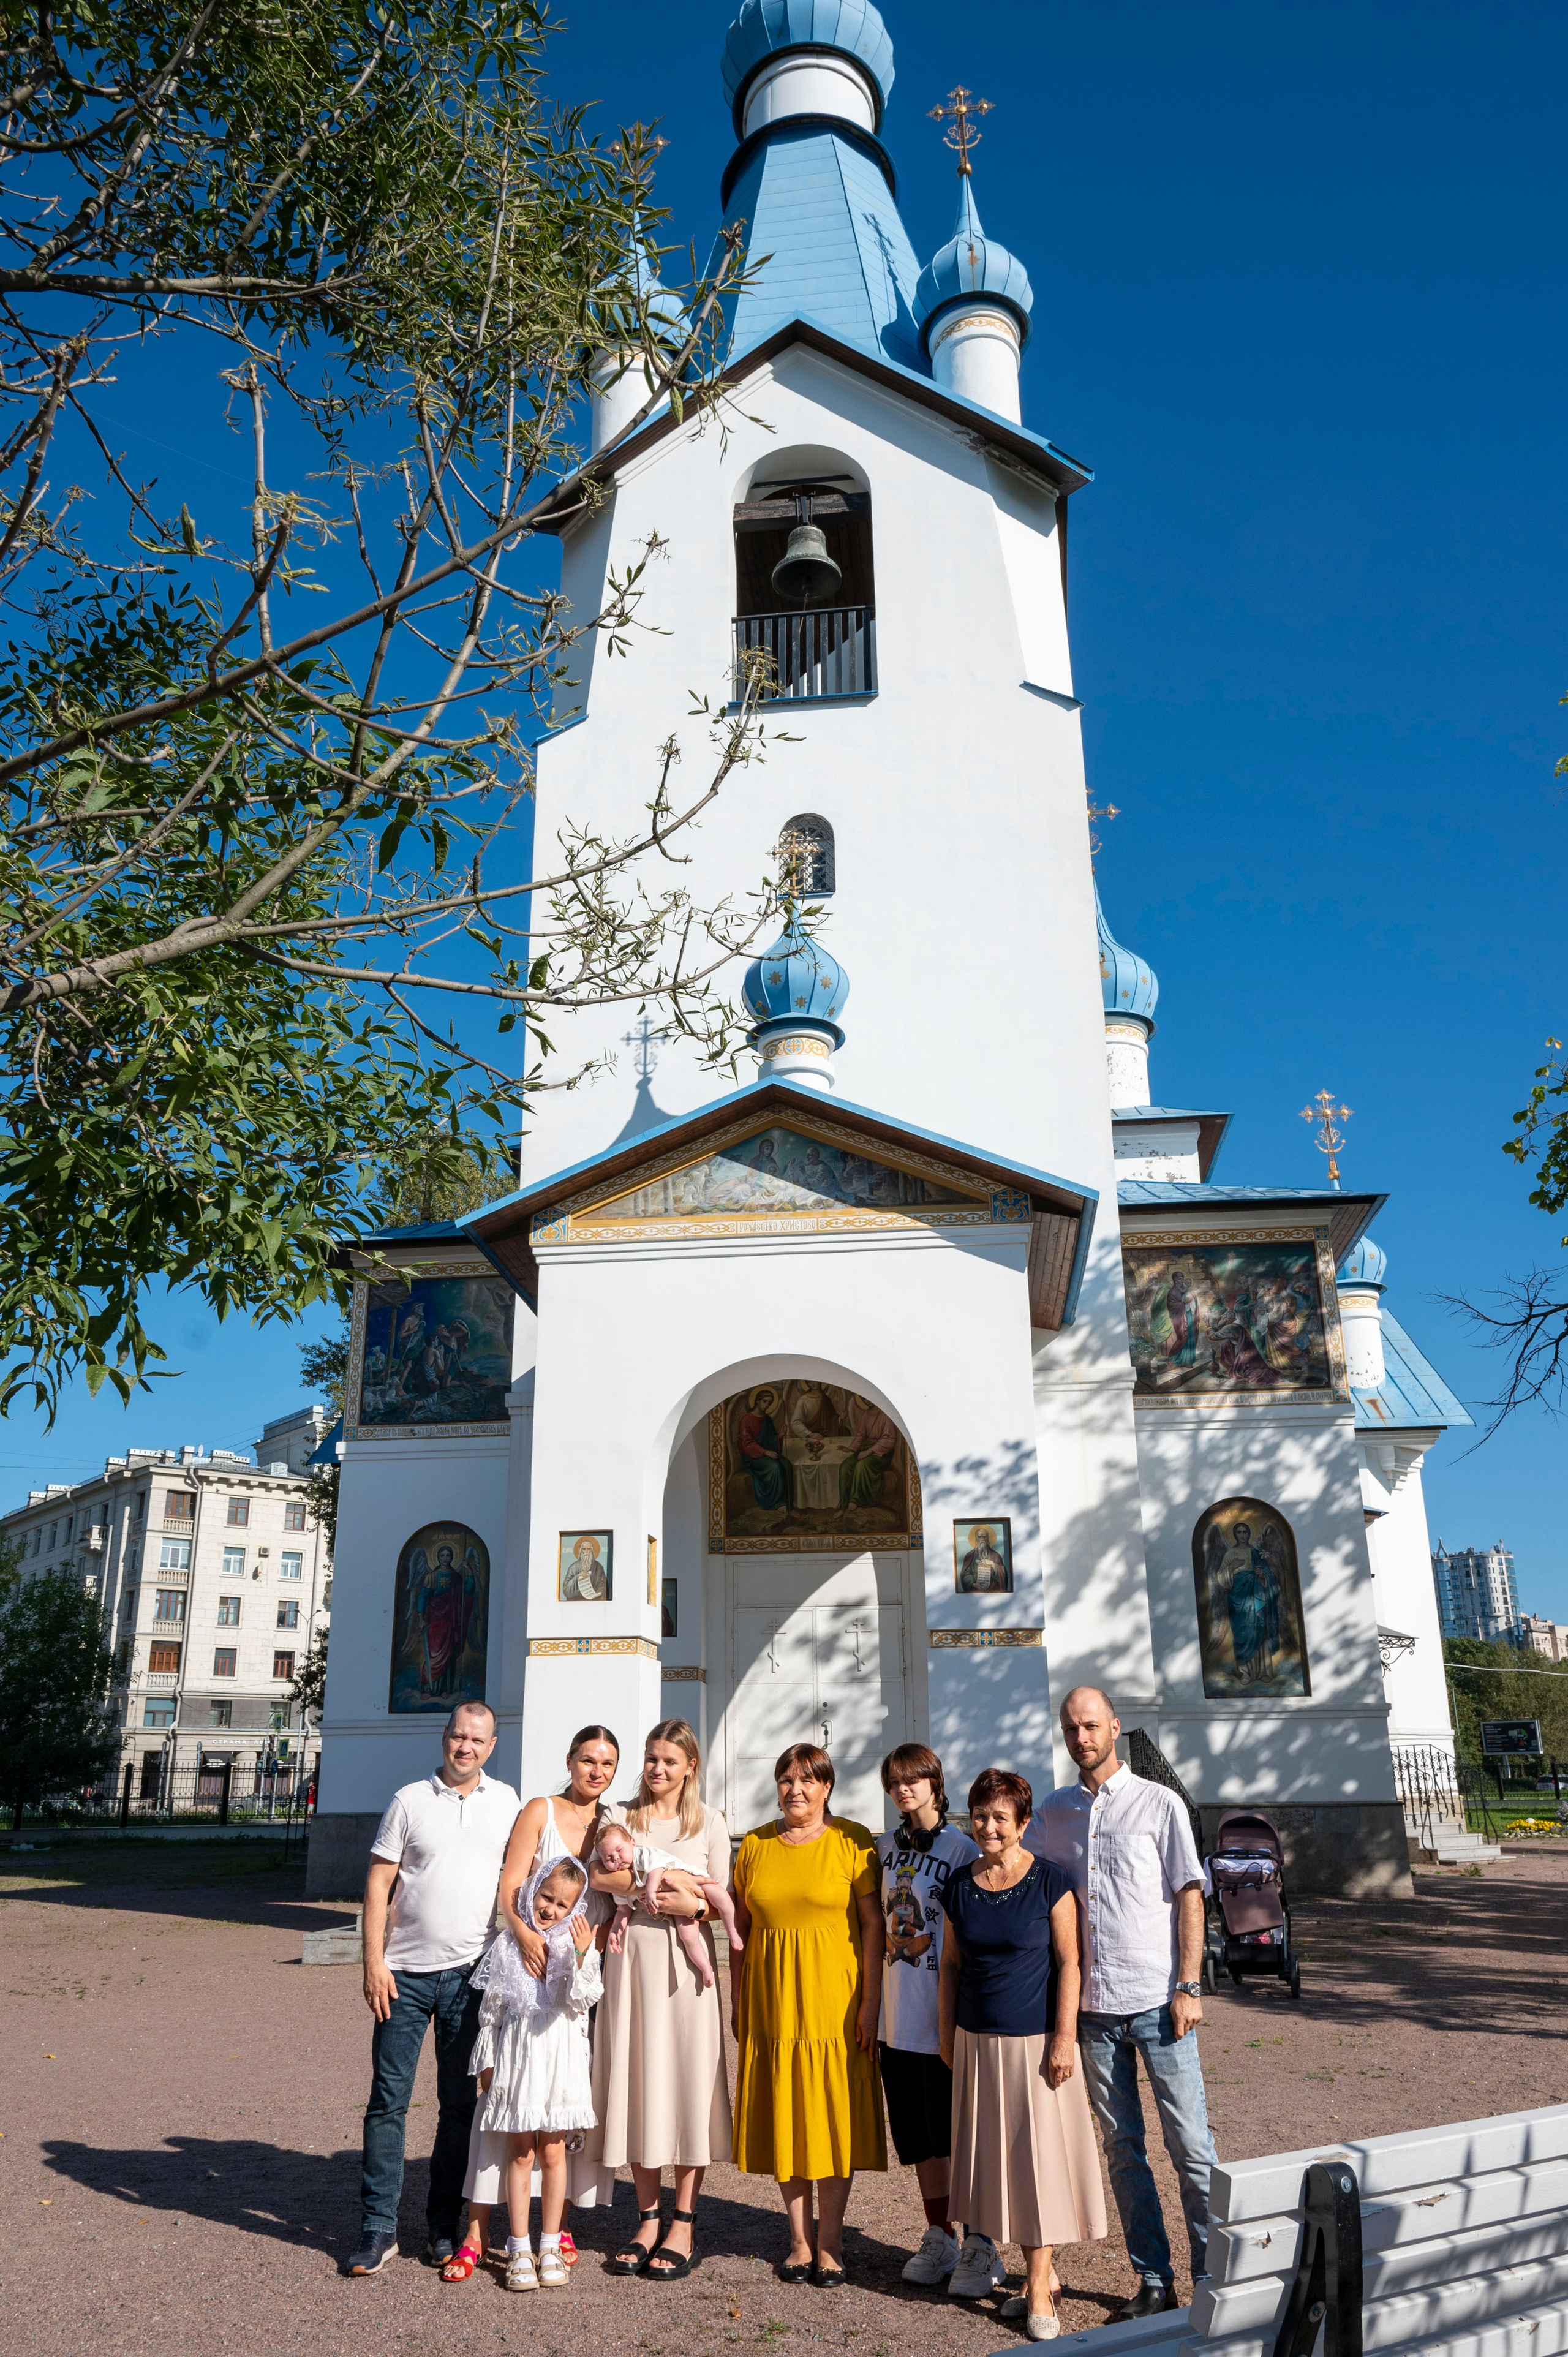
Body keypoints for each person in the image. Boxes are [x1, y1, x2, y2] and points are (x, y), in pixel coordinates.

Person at [1027, 1687, 1216, 2321]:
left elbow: (1190, 1893)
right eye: (1070, 1727)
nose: (1080, 1736)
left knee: (1190, 2143)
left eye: (1090, 1724)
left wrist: (1188, 1984)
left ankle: (1214, 2273)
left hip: (1160, 2004)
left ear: (1113, 1726)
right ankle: (1154, 2278)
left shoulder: (1158, 1801)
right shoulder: (1053, 1812)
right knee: (1123, 2149)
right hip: (1095, 2010)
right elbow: (1036, 1891)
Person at [346, 1701, 521, 2277]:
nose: (465, 1747)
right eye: (457, 1736)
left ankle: (443, 2225)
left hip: (469, 1975)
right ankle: (378, 2228)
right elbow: (378, 1882)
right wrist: (373, 1962)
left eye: (477, 1739)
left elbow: (521, 1883)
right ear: (444, 1739)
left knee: (459, 2106)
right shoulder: (409, 1800)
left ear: (491, 1747)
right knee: (387, 2103)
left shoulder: (506, 1803)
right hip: (403, 1976)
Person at [444, 1723, 620, 2282]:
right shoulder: (541, 1810)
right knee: (512, 2108)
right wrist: (522, 1934)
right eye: (588, 1759)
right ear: (570, 1760)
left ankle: (555, 2228)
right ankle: (481, 2229)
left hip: (578, 1970)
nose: (596, 1771)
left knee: (558, 2108)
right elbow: (512, 1883)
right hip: (527, 1965)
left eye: (608, 1764)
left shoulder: (613, 1825)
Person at [939, 1768, 1107, 2340]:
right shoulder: (959, 1886)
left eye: (1000, 1818)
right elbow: (951, 1967)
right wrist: (945, 2034)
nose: (988, 1826)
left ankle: (1039, 2285)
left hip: (1035, 2045)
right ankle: (1022, 2268)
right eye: (980, 1815)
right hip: (976, 2043)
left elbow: (1070, 1963)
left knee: (1038, 2168)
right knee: (995, 2166)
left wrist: (1065, 2037)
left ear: (1024, 1824)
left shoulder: (1050, 1882)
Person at [580, 1718, 733, 2278]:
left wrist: (682, 1902)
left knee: (688, 2082)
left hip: (687, 1974)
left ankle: (684, 2222)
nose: (658, 1768)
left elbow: (719, 1900)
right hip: (632, 1962)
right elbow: (598, 1877)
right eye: (651, 1758)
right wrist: (677, 1893)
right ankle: (646, 2217)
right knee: (638, 2080)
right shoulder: (620, 1816)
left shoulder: (710, 1821)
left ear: (690, 1765)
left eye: (669, 1760)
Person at [731, 1741, 885, 2287]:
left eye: (808, 1781)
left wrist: (871, 2002)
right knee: (786, 2112)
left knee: (832, 2114)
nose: (796, 1790)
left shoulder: (852, 1841)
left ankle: (832, 2240)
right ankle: (798, 2239)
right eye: (787, 1780)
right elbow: (739, 1932)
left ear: (826, 1788)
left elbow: (873, 1926)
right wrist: (738, 2001)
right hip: (773, 2001)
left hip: (835, 2003)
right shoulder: (753, 1846)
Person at [467, 1855, 601, 2292]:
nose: (550, 1910)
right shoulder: (510, 1945)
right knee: (521, 2151)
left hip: (559, 2056)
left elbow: (579, 2001)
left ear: (575, 1910)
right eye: (546, 1897)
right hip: (521, 2057)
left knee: (555, 2152)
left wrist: (579, 1957)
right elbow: (493, 2010)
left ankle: (549, 2243)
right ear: (532, 1890)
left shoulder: (575, 1946)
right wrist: (487, 2064)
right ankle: (519, 2245)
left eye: (563, 1905)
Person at [875, 1744, 979, 2287]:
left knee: (957, 2135)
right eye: (894, 1781)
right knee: (919, 2139)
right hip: (897, 2018)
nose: (903, 1788)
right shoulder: (883, 1847)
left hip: (942, 2016)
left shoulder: (962, 1849)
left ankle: (981, 2241)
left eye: (913, 1779)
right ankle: (940, 2235)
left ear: (935, 1782)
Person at [595, 1820, 744, 1987]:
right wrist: (616, 1930)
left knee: (722, 1897)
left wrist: (650, 1891)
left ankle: (732, 1931)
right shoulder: (618, 1883)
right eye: (608, 1858)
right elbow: (623, 1910)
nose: (616, 1858)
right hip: (675, 1906)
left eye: (620, 1850)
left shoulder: (642, 1855)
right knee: (688, 1935)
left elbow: (657, 1869)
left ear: (633, 1843)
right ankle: (705, 1967)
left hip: (693, 1879)